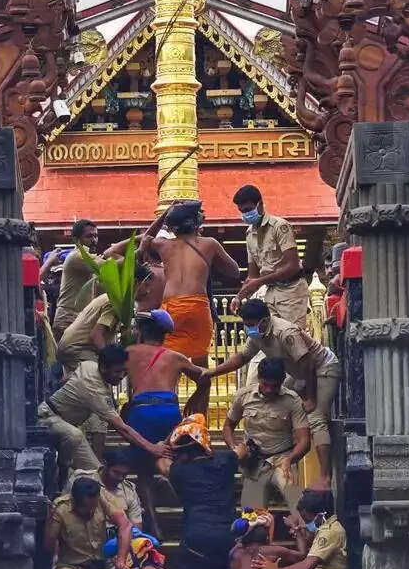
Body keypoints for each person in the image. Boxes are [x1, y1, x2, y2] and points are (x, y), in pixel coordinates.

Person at [221, 294, 340, 481]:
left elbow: (308, 363)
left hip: (322, 367)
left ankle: (325, 477)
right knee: (273, 398)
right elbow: (242, 357)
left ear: (264, 321)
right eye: (246, 324)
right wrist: (212, 373)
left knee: (316, 418)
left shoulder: (285, 332)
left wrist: (310, 398)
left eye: (250, 324)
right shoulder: (258, 333)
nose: (248, 328)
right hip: (298, 371)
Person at [137, 197, 242, 373]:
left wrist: (166, 213)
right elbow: (235, 271)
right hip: (197, 306)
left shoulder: (164, 245)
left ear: (171, 227)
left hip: (171, 310)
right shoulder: (209, 244)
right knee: (201, 367)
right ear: (195, 223)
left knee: (169, 365)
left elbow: (147, 237)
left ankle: (168, 398)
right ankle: (203, 396)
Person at [38, 343, 166, 476]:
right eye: (117, 371)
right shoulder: (95, 391)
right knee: (74, 435)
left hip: (67, 424)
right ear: (104, 368)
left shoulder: (89, 364)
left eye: (124, 372)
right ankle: (61, 472)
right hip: (47, 417)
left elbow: (66, 378)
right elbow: (122, 428)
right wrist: (152, 448)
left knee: (96, 472)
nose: (121, 376)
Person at [166, 415, 240, 569]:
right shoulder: (225, 460)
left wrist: (175, 432)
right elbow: (243, 450)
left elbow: (161, 459)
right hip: (226, 535)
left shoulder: (178, 470)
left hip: (195, 538)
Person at [225, 355, 311, 509]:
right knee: (252, 518)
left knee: (299, 507)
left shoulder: (292, 400)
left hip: (282, 460)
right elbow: (228, 426)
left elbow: (304, 441)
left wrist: (289, 459)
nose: (269, 390)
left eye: (274, 386)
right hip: (254, 463)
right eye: (265, 385)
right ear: (258, 378)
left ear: (283, 380)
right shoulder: (244, 396)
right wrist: (234, 448)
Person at [232, 183, 311, 332]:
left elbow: (292, 266)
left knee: (291, 336)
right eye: (242, 211)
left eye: (248, 209)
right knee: (270, 336)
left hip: (292, 291)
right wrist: (238, 297)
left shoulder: (280, 226)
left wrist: (259, 282)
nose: (245, 214)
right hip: (270, 292)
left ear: (260, 204)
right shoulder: (249, 234)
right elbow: (252, 276)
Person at [122, 308, 208, 444]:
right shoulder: (175, 357)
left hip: (141, 410)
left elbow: (111, 373)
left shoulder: (128, 353)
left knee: (139, 459)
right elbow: (205, 377)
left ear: (141, 333)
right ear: (164, 335)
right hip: (168, 410)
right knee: (168, 457)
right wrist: (195, 397)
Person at [263, 485, 350, 569]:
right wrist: (296, 530)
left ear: (321, 514)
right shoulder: (323, 528)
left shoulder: (331, 532)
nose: (307, 524)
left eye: (308, 520)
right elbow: (304, 550)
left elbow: (307, 565)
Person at [47, 218, 100, 336]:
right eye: (89, 236)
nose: (94, 240)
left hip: (80, 320)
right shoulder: (78, 256)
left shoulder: (90, 258)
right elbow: (110, 266)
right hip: (68, 320)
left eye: (96, 236)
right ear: (76, 240)